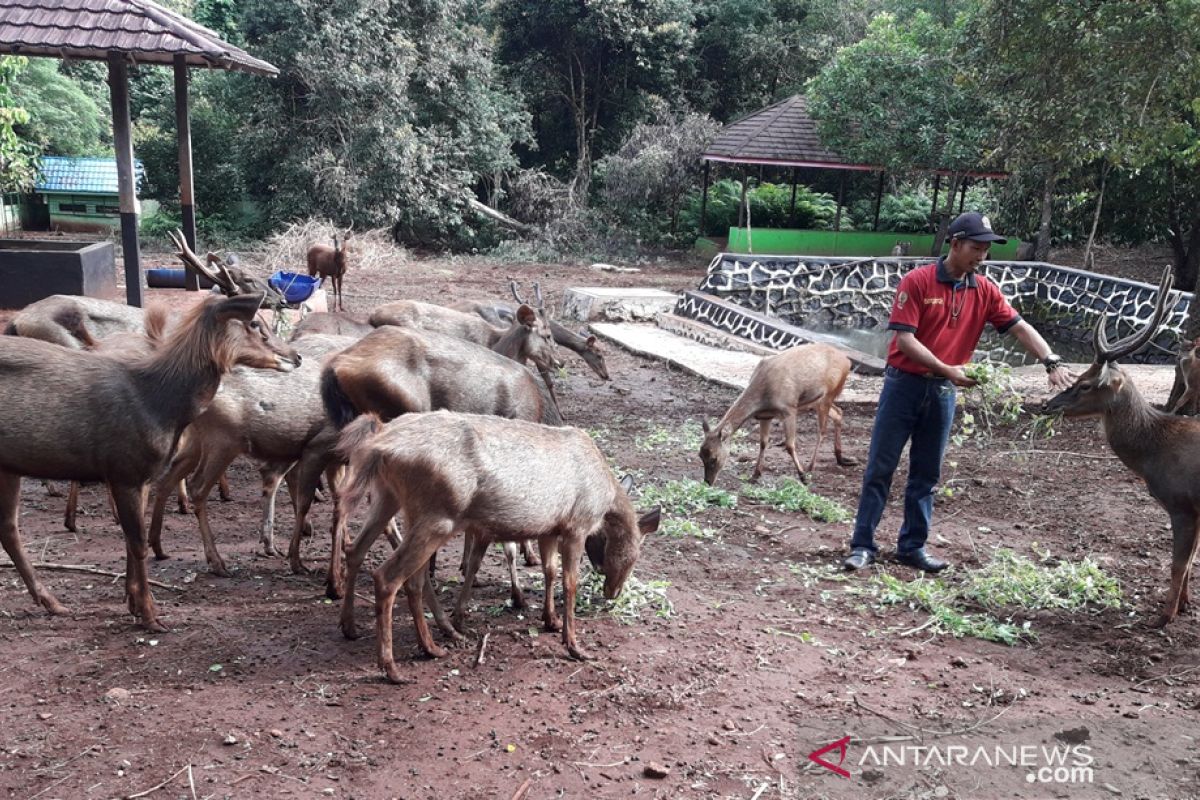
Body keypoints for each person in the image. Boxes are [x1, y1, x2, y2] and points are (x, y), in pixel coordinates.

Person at [843, 212, 1074, 573]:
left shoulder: (984, 290)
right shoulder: (917, 281)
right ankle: (862, 545)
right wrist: (947, 369)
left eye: (985, 250)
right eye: (976, 247)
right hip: (903, 386)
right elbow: (904, 339)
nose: (981, 256)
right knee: (880, 467)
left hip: (942, 393)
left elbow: (1018, 326)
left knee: (927, 473)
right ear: (954, 243)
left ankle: (912, 546)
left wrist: (1051, 359)